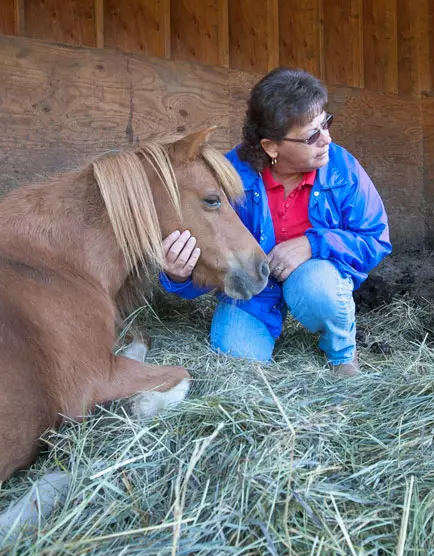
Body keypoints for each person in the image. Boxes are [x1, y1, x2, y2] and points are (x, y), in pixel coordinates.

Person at [158, 68, 391, 378]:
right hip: (253, 287)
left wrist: (312, 244)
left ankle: (342, 354)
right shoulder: (229, 178)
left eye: (326, 123)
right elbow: (208, 257)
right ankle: (263, 323)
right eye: (312, 135)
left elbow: (375, 239)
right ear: (271, 147)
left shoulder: (342, 168)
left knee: (318, 289)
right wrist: (177, 275)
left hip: (314, 275)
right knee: (235, 359)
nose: (327, 139)